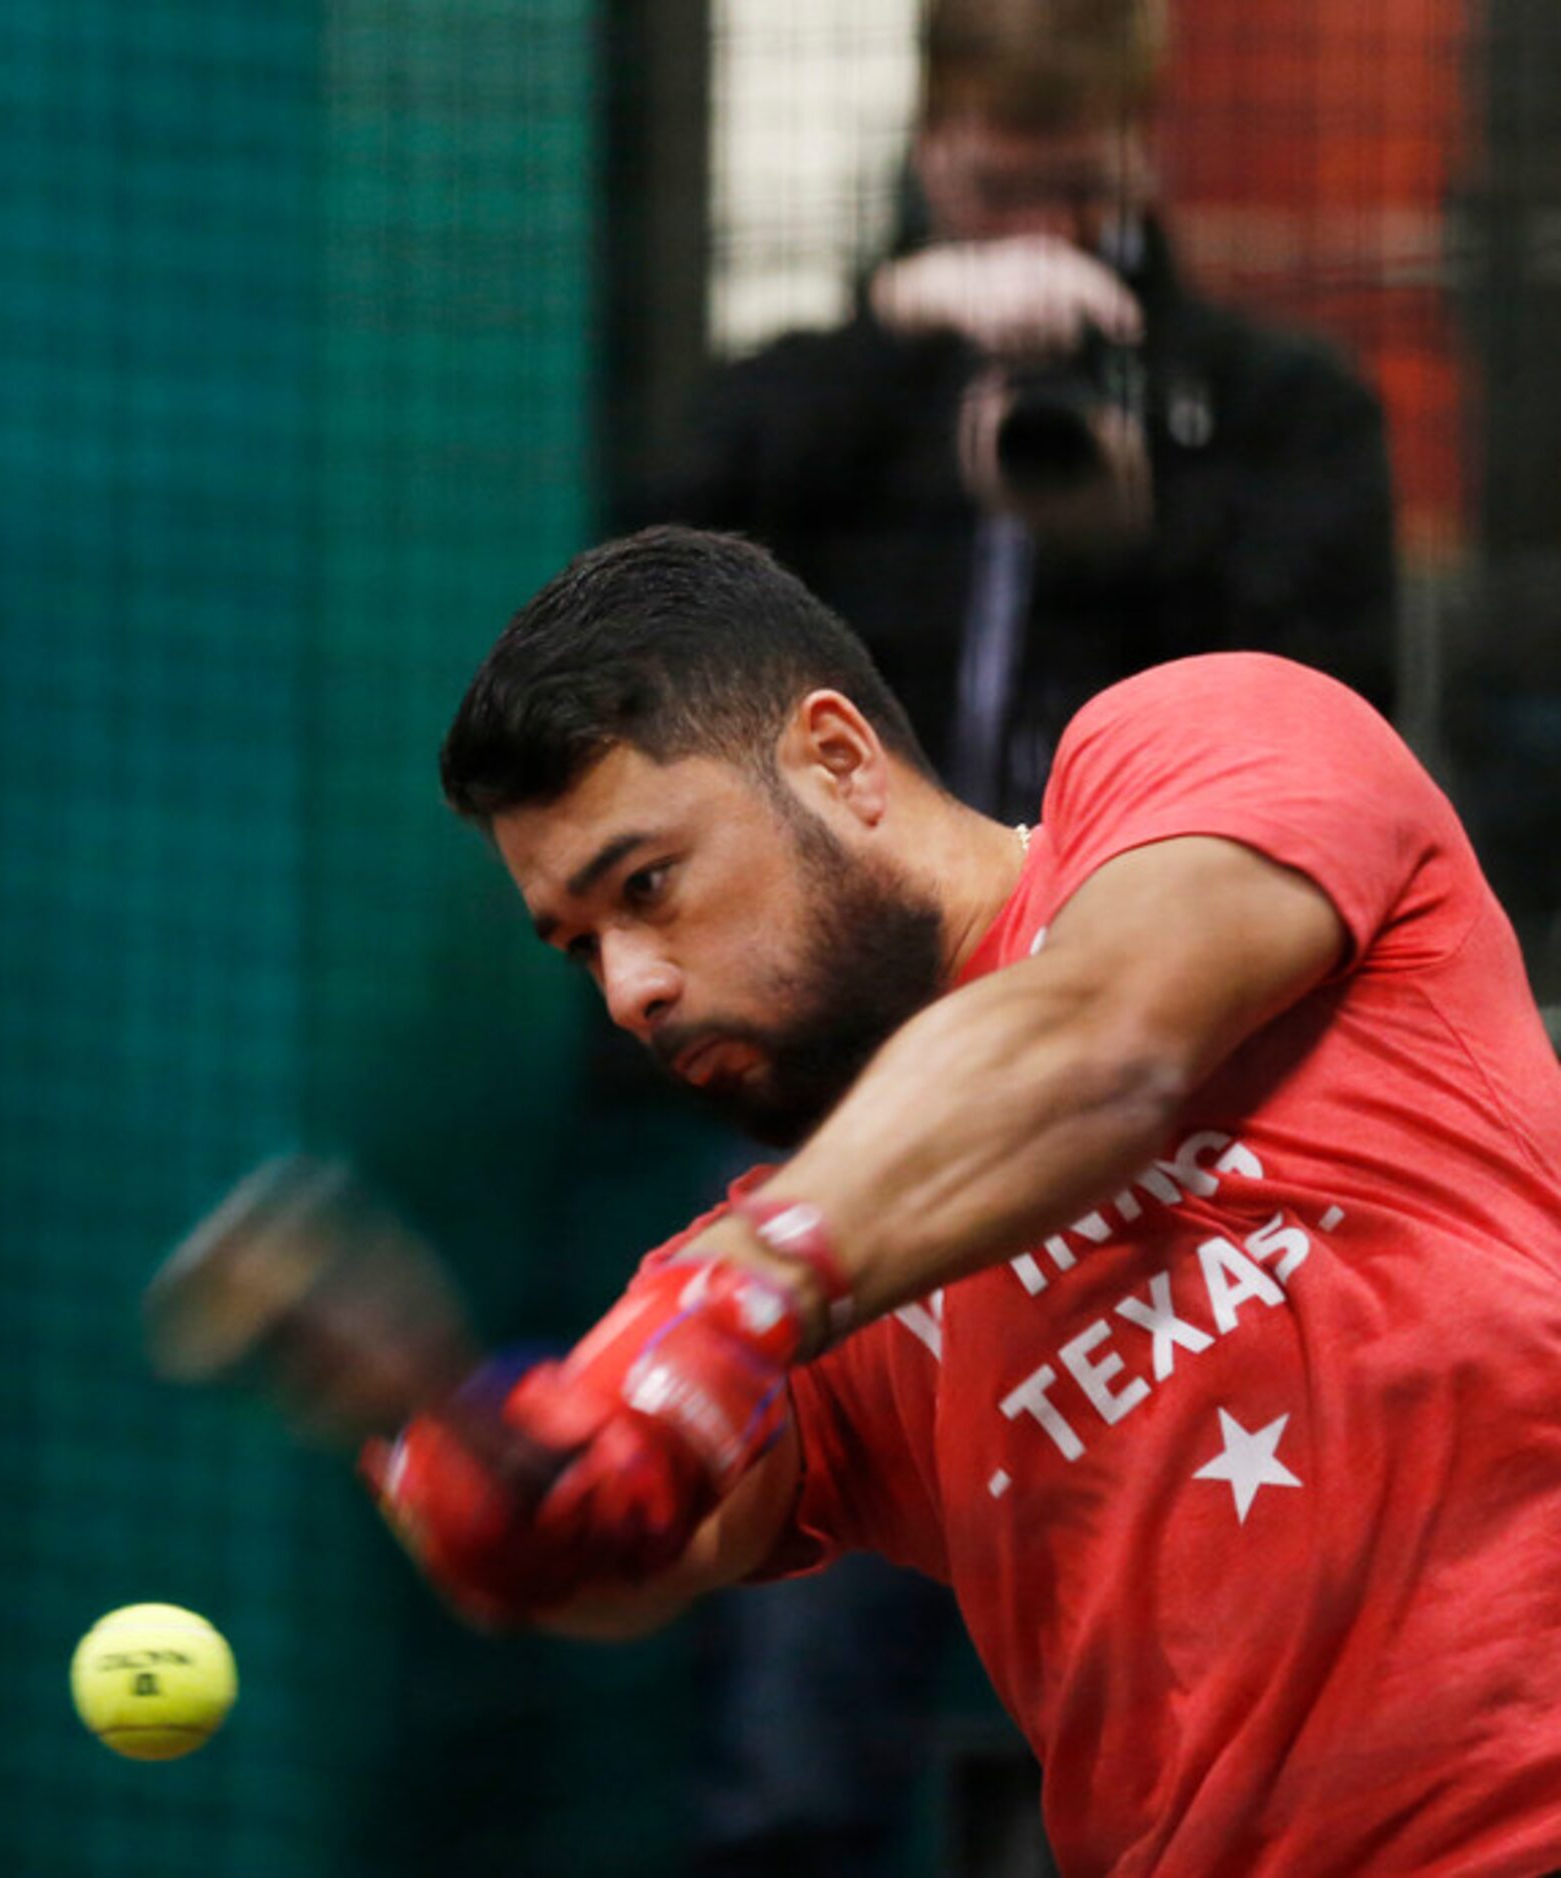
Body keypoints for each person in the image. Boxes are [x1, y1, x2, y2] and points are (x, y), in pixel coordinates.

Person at [373, 527, 1561, 1876]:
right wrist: (545, 1506)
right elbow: (674, 1523)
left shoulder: (1195, 743)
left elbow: (1098, 1038)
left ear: (835, 758)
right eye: (579, 944)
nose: (630, 988)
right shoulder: (793, 1259)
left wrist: (743, 1293)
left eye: (646, 885)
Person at [632, 0, 1395, 822]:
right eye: (998, 192)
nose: (1042, 234)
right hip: (885, 916)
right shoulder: (836, 387)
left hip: (1157, 914)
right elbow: (658, 603)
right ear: (928, 152)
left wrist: (1135, 541)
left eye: (1081, 192)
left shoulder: (1275, 402)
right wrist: (884, 334)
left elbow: (1335, 719)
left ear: (1142, 151)